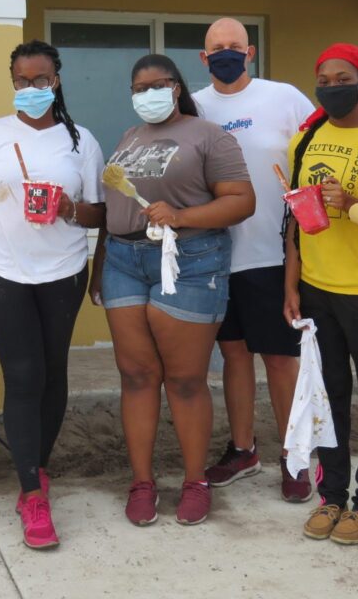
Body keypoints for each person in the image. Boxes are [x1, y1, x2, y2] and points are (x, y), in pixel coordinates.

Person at [0, 40, 105, 549]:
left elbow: (98, 214)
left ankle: (36, 467)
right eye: (22, 80)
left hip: (63, 270)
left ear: (56, 81)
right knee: (23, 376)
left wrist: (70, 210)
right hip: (3, 272)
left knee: (53, 373)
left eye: (40, 80)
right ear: (13, 81)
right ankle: (30, 493)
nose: (31, 89)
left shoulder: (81, 140)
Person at [95, 54, 254, 528]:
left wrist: (181, 216)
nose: (148, 94)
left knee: (185, 379)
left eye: (157, 84)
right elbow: (112, 209)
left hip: (189, 260)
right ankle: (142, 483)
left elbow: (241, 200)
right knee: (137, 375)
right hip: (124, 261)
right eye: (138, 87)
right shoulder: (128, 138)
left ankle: (194, 481)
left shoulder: (209, 136)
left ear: (177, 87)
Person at [283, 43, 358, 546]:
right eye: (323, 77)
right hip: (316, 290)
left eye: (342, 77)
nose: (331, 85)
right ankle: (333, 495)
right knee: (328, 396)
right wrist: (290, 284)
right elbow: (291, 219)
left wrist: (352, 203)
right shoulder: (304, 140)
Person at [193, 18, 314, 501]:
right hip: (217, 254)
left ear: (250, 53)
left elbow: (313, 155)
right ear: (204, 60)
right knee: (233, 356)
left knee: (282, 360)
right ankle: (244, 449)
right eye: (216, 48)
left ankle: (294, 455)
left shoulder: (283, 97)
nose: (226, 53)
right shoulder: (195, 106)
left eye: (234, 47)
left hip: (273, 253)